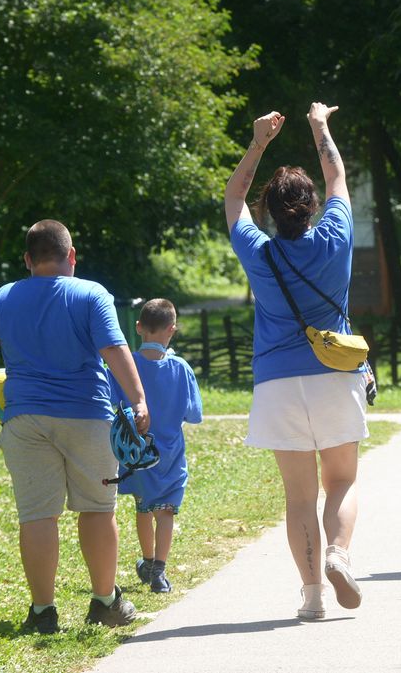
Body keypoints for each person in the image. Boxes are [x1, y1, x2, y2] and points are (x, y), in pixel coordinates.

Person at [0, 219, 150, 634]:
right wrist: (137, 398)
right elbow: (115, 349)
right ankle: (104, 603)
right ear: (72, 257)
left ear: (28, 260)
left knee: (37, 516)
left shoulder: (3, 297)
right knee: (98, 510)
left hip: (24, 419)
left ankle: (42, 613)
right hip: (87, 416)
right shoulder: (91, 293)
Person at [225, 102, 369, 620]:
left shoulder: (257, 252)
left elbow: (233, 196)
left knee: (299, 495)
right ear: (310, 207)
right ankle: (338, 552)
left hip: (277, 384)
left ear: (270, 211)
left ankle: (312, 597)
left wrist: (259, 142)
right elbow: (336, 174)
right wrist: (319, 124)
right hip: (336, 375)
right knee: (343, 481)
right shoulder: (336, 237)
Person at [107, 297, 203, 595]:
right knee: (165, 512)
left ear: (138, 327)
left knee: (143, 507)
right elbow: (194, 414)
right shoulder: (181, 368)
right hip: (171, 454)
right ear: (171, 330)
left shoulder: (126, 366)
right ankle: (159, 571)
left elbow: (111, 401)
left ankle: (147, 562)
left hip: (137, 452)